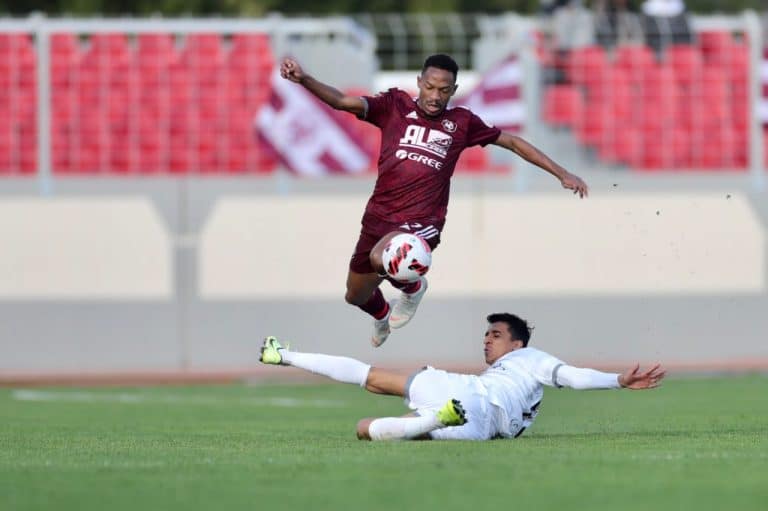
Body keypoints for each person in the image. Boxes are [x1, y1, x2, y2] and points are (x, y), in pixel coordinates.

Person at [280, 55, 590, 348]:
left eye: (444, 90)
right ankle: (382, 316)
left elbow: (510, 141)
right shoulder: (393, 106)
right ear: (419, 82)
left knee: (382, 256)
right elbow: (342, 101)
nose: (435, 96)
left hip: (422, 222)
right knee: (355, 294)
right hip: (378, 216)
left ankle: (413, 288)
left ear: (454, 90)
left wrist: (561, 172)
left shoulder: (462, 123)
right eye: (429, 87)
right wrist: (304, 79)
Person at [259, 312, 665, 441]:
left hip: (465, 392)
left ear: (518, 344)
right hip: (478, 428)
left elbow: (572, 377)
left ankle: (285, 354)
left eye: (496, 335)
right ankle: (435, 420)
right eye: (486, 334)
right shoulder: (519, 377)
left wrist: (617, 381)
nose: (487, 341)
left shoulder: (532, 358)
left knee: (371, 377)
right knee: (364, 430)